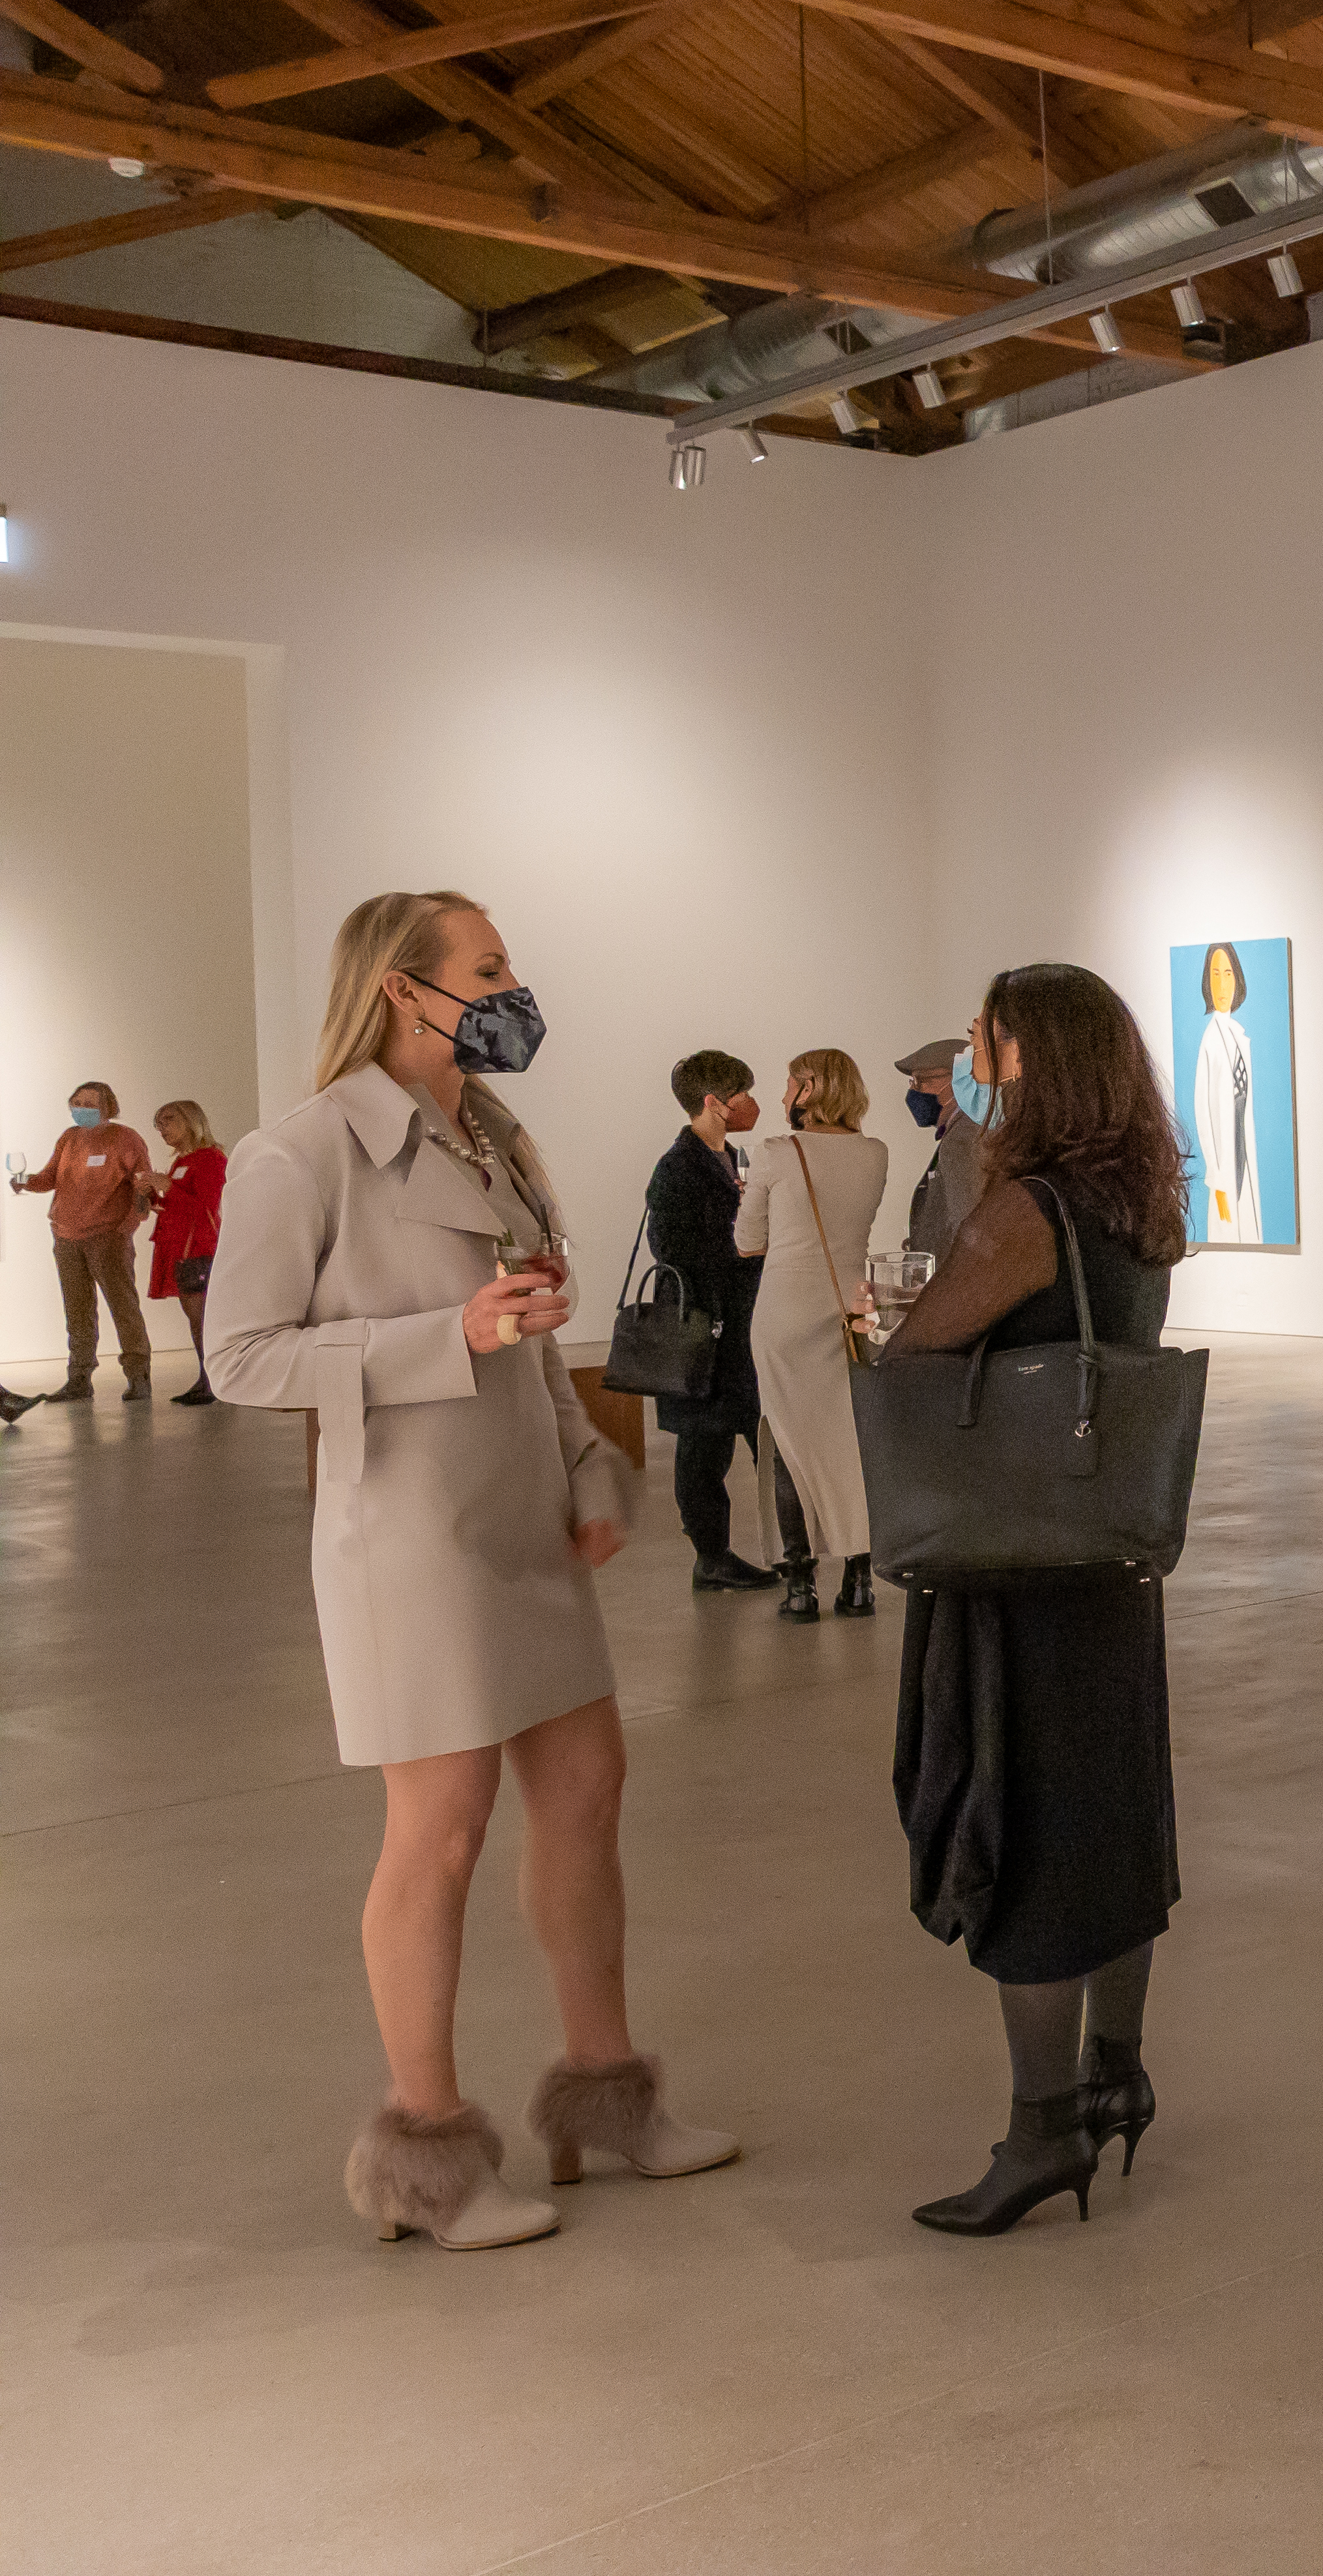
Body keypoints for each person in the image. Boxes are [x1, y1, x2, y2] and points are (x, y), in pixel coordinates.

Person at [210, 891, 739, 2251]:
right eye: (489, 968)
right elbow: (244, 1357)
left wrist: (588, 1465)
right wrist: (442, 1332)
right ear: (404, 988)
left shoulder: (496, 1139)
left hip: (523, 1522)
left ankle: (605, 2096)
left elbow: (527, 1324)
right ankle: (429, 2149)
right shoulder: (303, 1151)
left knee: (588, 1787)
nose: (515, 987)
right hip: (410, 1536)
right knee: (438, 1832)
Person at [880, 962, 1194, 2234]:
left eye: (983, 1040)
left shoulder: (1027, 1211)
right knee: (1113, 1813)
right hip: (1105, 1552)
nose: (967, 1054)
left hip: (1012, 1555)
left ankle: (1041, 2127)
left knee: (1028, 1824)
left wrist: (895, 1311)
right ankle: (1118, 2069)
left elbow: (915, 1353)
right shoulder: (1138, 1198)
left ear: (1035, 1060)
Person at [734, 1047, 887, 1621]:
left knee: (788, 1444)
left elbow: (748, 1240)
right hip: (850, 1308)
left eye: (788, 1084)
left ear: (808, 1088)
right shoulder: (875, 1154)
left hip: (784, 1312)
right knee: (849, 1445)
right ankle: (861, 1579)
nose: (780, 1098)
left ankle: (800, 1586)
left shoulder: (777, 1153)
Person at [645, 1051, 788, 1598]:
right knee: (704, 1448)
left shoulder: (736, 1156)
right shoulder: (677, 1168)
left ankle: (789, 1545)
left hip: (742, 1325)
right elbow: (674, 1250)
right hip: (702, 1328)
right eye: (744, 1093)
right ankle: (712, 1556)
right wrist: (744, 1248)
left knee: (761, 1439)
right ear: (714, 1103)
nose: (753, 1102)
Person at [14, 1081, 156, 1400]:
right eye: (76, 1102)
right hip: (66, 1236)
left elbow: (143, 1185)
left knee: (123, 1306)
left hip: (107, 1237)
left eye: (90, 1103)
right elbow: (49, 1177)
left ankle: (138, 1377)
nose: (81, 1108)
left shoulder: (126, 1138)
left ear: (109, 1107)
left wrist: (127, 1228)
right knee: (76, 1309)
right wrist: (23, 1180)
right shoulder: (69, 1138)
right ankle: (78, 1379)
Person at [141, 1099, 230, 1404]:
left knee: (202, 1318)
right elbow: (176, 1206)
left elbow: (206, 1208)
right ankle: (206, 1379)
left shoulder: (211, 1159)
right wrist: (155, 1194)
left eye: (168, 1120)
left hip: (199, 1249)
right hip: (179, 1248)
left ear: (192, 1120)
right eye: (159, 1124)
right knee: (195, 1318)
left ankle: (213, 1382)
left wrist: (168, 1186)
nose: (162, 1128)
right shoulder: (181, 1161)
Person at [1191, 943, 1263, 1241]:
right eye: (1215, 974)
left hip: (1242, 1142)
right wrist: (1216, 1177)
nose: (1222, 984)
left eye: (1228, 974)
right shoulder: (1209, 1041)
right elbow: (1203, 1114)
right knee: (1227, 1231)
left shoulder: (1240, 1036)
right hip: (1224, 1156)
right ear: (1208, 982)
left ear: (1238, 979)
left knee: (1248, 1223)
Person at [897, 1037, 980, 1264]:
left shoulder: (963, 1138)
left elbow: (968, 1231)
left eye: (922, 1080)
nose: (915, 1091)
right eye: (913, 1082)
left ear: (959, 1079)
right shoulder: (964, 1132)